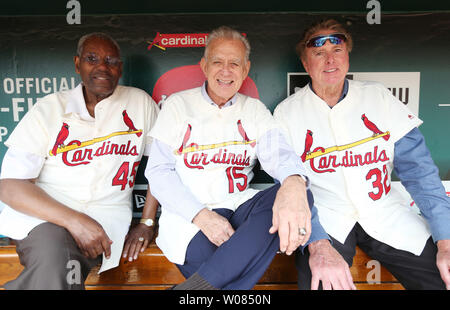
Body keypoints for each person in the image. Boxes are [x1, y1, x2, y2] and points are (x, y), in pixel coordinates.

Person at [145, 26, 354, 290]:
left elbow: (278, 152)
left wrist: (292, 181)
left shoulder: (253, 109)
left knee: (297, 190)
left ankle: (194, 289)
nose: (225, 71)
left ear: (245, 69)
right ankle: (201, 287)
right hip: (190, 216)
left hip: (238, 208)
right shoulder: (177, 105)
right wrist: (202, 216)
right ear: (204, 65)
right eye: (217, 62)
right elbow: (159, 172)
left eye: (234, 63)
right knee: (226, 272)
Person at [273, 19, 450, 290]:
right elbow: (289, 191)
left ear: (347, 58)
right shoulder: (287, 113)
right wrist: (316, 243)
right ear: (306, 64)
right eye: (319, 53)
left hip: (385, 213)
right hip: (326, 219)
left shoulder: (379, 98)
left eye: (337, 50)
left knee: (444, 277)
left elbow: (420, 173)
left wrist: (446, 240)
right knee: (321, 282)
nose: (330, 60)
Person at [0, 32, 159, 289]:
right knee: (54, 257)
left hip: (104, 222)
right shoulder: (49, 109)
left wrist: (147, 223)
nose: (102, 67)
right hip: (44, 219)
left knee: (58, 265)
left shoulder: (139, 103)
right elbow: (10, 186)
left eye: (111, 61)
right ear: (77, 64)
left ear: (120, 68)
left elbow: (162, 166)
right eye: (92, 59)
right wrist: (75, 221)